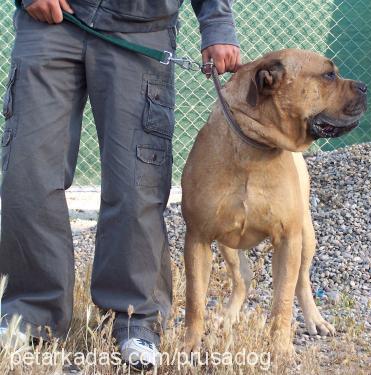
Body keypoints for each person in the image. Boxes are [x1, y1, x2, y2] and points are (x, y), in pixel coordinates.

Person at [0, 0, 240, 369]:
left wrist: (218, 23)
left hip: (140, 25)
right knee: (26, 172)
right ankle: (31, 314)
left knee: (136, 181)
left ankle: (135, 318)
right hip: (52, 19)